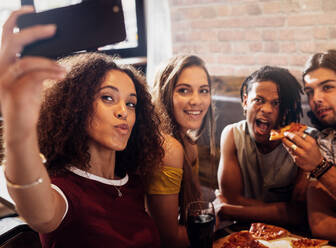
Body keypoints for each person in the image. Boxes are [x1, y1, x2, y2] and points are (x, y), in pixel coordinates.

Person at [0, 8, 164, 247]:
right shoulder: (64, 190)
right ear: (76, 107)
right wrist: (17, 123)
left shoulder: (131, 180)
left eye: (131, 103)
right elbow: (39, 213)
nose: (123, 111)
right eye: (108, 98)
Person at [282, 49, 336, 245]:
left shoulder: (317, 156)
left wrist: (320, 166)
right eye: (310, 91)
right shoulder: (320, 144)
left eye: (327, 87)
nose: (316, 99)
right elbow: (321, 224)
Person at [216, 66, 309, 227]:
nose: (266, 109)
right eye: (259, 100)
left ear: (287, 109)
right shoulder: (232, 134)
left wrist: (229, 210)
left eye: (276, 103)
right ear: (245, 101)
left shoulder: (305, 141)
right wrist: (281, 211)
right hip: (245, 233)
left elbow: (299, 214)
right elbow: (230, 198)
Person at [148, 54, 216, 247]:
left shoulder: (189, 143)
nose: (196, 101)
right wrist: (218, 219)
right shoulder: (168, 147)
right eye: (184, 90)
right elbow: (168, 239)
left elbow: (194, 208)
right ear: (164, 93)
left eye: (204, 91)